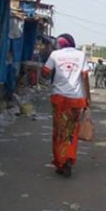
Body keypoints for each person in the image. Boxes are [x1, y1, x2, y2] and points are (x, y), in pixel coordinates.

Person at [41, 33, 91, 177]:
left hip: (59, 99)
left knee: (59, 131)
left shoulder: (55, 55)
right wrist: (88, 99)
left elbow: (45, 74)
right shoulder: (81, 55)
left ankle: (60, 161)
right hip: (76, 99)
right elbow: (85, 77)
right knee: (71, 131)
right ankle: (68, 158)